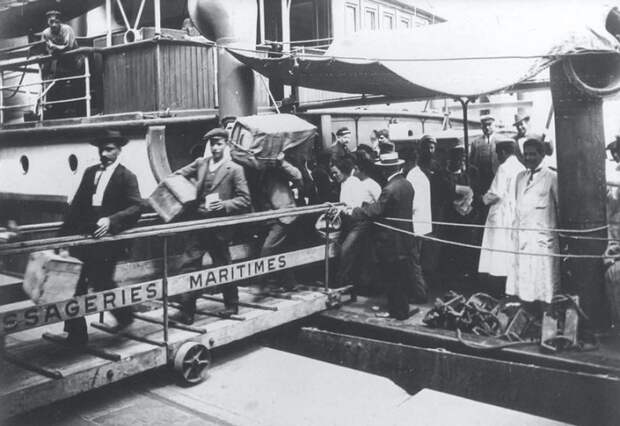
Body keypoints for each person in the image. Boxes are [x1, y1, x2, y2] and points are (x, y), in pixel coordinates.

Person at [60, 130, 142, 344]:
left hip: (107, 242)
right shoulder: (89, 172)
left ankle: (125, 317)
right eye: (101, 149)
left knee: (102, 282)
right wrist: (60, 238)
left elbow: (136, 207)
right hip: (84, 238)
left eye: (109, 149)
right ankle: (77, 334)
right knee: (74, 284)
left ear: (119, 151)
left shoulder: (127, 176)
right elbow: (76, 205)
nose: (104, 154)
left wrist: (111, 220)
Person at [171, 128, 251, 324]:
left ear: (227, 145)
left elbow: (245, 200)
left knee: (223, 265)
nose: (215, 147)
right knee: (189, 265)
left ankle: (231, 305)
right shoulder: (201, 163)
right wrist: (186, 190)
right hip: (199, 224)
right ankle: (187, 310)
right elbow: (177, 176)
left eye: (219, 143)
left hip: (219, 227)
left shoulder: (235, 169)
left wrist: (223, 204)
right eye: (212, 144)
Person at [346, 152, 427, 319]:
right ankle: (401, 309)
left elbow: (377, 210)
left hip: (390, 241)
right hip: (405, 238)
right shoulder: (406, 184)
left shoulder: (390, 188)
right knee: (401, 276)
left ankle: (396, 312)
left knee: (392, 278)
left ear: (385, 170)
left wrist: (353, 211)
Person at [506, 137, 559, 304]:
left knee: (543, 286)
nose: (528, 158)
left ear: (542, 155)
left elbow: (560, 208)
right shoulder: (520, 177)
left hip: (542, 239)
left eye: (533, 154)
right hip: (522, 237)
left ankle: (545, 315)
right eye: (526, 154)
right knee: (524, 285)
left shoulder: (551, 177)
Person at [478, 138, 525, 297]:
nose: (498, 158)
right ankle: (509, 286)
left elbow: (495, 193)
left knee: (497, 251)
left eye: (498, 154)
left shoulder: (504, 168)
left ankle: (497, 287)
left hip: (501, 213)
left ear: (504, 152)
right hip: (514, 213)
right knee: (509, 250)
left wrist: (482, 199)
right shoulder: (521, 167)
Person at [334, 154, 381, 294]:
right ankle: (351, 284)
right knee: (358, 255)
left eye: (336, 173)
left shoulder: (354, 182)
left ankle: (341, 284)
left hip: (359, 223)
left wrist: (341, 209)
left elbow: (355, 206)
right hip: (351, 222)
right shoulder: (344, 183)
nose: (334, 176)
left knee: (346, 250)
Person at [469, 115, 500, 195]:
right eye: (484, 125)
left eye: (489, 125)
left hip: (497, 177)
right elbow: (471, 162)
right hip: (481, 179)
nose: (487, 127)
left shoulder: (500, 140)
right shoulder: (476, 142)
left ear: (494, 125)